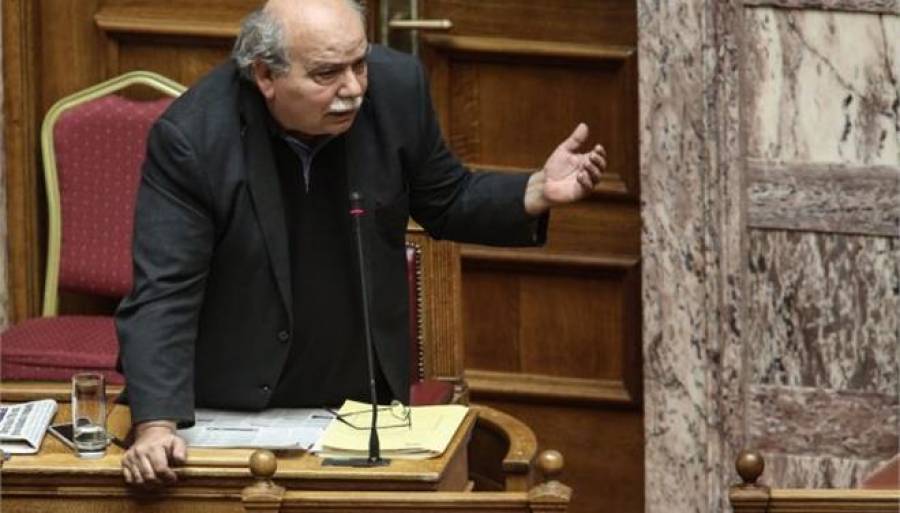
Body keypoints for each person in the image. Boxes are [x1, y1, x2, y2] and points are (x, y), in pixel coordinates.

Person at [116, 0, 606, 486]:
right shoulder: (194, 137)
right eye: (327, 73)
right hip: (233, 398)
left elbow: (447, 199)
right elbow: (165, 290)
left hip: (358, 394)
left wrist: (533, 192)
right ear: (265, 75)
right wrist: (156, 427)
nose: (352, 89)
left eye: (360, 63)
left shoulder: (396, 89)